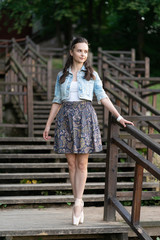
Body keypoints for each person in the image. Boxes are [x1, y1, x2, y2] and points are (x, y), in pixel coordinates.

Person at [43, 37, 134, 226]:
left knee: (82, 163)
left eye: (85, 51)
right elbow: (57, 100)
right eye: (79, 51)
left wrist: (118, 117)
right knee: (71, 164)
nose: (83, 54)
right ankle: (78, 200)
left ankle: (78, 203)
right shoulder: (62, 75)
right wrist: (47, 124)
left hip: (85, 116)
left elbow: (102, 97)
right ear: (71, 52)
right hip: (66, 117)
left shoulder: (92, 74)